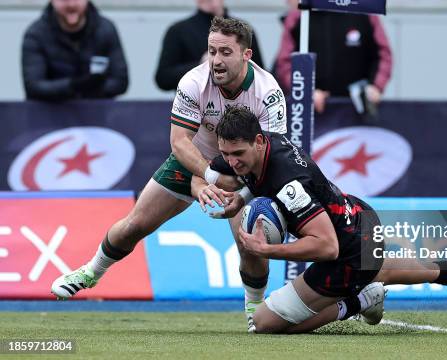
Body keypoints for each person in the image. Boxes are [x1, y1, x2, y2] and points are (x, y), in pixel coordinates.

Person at [51, 17, 287, 331]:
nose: (216, 60)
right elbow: (179, 142)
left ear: (247, 55)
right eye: (212, 51)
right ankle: (90, 272)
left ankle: (255, 309)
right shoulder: (193, 81)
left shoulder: (268, 93)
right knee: (134, 225)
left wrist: (241, 194)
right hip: (194, 158)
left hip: (245, 167)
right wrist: (206, 179)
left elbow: (269, 156)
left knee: (250, 240)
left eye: (226, 52)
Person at [201, 105, 447, 334]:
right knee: (377, 269)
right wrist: (240, 198)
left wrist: (267, 250)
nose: (233, 162)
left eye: (238, 154)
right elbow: (249, 175)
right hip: (359, 218)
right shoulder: (265, 144)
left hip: (345, 250)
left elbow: (327, 247)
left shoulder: (291, 186)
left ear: (259, 141)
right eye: (226, 154)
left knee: (264, 323)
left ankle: (358, 301)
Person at [275, 9, 392, 113]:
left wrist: (376, 86)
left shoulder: (365, 12)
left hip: (357, 111)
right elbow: (285, 64)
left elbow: (383, 55)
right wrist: (305, 92)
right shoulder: (300, 15)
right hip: (313, 112)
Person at [22, 0, 128, 101]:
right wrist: (73, 86)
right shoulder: (36, 34)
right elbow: (34, 87)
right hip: (50, 115)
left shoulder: (106, 29)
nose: (71, 5)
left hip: (98, 113)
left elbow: (121, 82)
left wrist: (93, 87)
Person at [155, 0, 264, 91]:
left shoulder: (243, 30)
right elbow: (163, 78)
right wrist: (200, 65)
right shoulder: (178, 31)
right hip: (195, 110)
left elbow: (260, 77)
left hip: (238, 108)